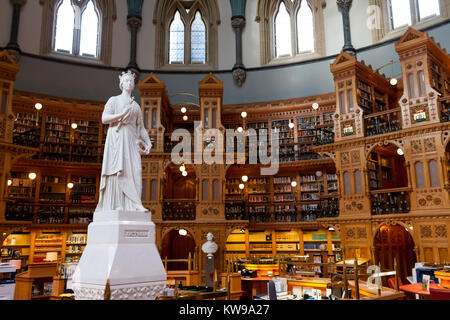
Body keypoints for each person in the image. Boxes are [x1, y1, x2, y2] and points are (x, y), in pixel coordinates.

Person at [96, 70, 152, 212]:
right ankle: (118, 203)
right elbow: (104, 118)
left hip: (132, 140)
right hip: (117, 138)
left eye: (131, 81)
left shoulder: (136, 106)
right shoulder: (114, 100)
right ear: (121, 83)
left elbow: (141, 128)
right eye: (126, 81)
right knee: (118, 170)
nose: (129, 83)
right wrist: (121, 114)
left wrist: (148, 143)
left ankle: (135, 203)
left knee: (135, 171)